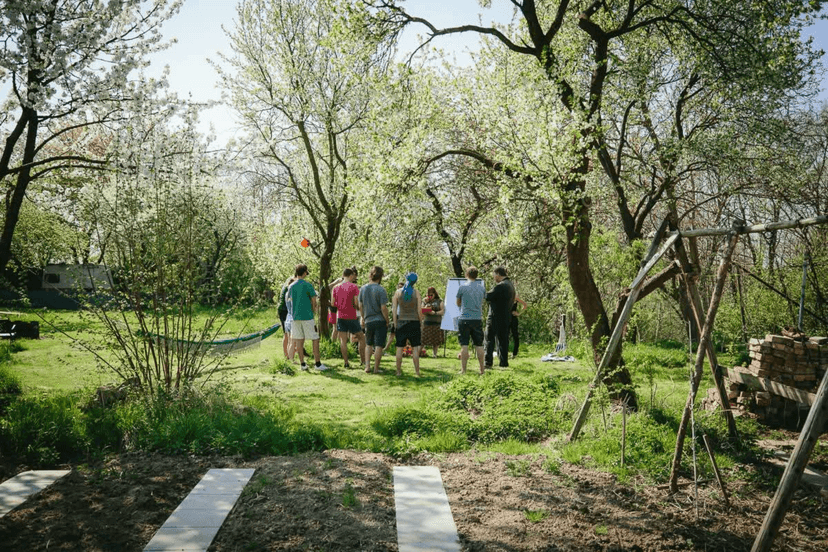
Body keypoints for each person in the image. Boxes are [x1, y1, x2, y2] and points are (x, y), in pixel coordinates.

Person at [289, 264, 329, 371]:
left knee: (299, 340)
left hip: (295, 317)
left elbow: (291, 301)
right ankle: (318, 364)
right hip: (307, 316)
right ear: (304, 272)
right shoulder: (308, 285)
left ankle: (303, 364)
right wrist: (314, 309)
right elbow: (314, 300)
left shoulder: (291, 286)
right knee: (315, 338)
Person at [332, 267, 365, 368]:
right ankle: (363, 361)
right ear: (350, 276)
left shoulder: (336, 287)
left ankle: (346, 362)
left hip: (340, 316)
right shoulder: (354, 287)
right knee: (362, 338)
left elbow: (333, 303)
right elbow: (356, 303)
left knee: (343, 340)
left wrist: (341, 305)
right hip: (351, 316)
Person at [359, 265, 389, 373]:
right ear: (380, 277)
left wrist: (363, 317)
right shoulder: (381, 290)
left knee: (368, 344)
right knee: (379, 345)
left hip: (368, 320)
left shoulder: (363, 288)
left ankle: (367, 367)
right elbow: (383, 308)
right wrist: (387, 320)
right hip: (379, 320)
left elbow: (360, 306)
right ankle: (376, 368)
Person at [392, 272, 424, 377]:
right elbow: (419, 310)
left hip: (401, 321)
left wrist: (395, 323)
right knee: (415, 348)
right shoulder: (416, 293)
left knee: (399, 348)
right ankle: (417, 372)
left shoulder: (398, 292)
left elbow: (394, 310)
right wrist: (421, 322)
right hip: (414, 322)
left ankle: (398, 371)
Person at [456, 266, 486, 374]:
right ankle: (482, 370)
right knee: (479, 344)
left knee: (464, 344)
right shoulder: (482, 288)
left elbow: (458, 302)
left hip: (464, 318)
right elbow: (482, 300)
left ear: (466, 274)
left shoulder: (462, 287)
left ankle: (463, 370)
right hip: (477, 318)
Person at [484, 266, 515, 369]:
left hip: (495, 317)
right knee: (503, 341)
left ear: (497, 274)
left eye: (494, 275)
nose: (494, 278)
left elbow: (488, 296)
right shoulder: (510, 285)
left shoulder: (501, 286)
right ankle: (503, 362)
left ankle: (488, 362)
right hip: (506, 317)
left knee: (489, 339)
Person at [421, 286, 445, 357]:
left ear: (435, 294)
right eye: (428, 295)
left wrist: (434, 313)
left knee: (436, 340)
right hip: (427, 322)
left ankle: (435, 354)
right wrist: (426, 307)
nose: (430, 296)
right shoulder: (424, 301)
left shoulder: (439, 301)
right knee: (423, 339)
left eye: (431, 295)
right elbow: (421, 311)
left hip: (436, 322)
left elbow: (443, 311)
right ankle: (418, 352)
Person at [277, 276, 295, 358]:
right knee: (287, 334)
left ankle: (288, 354)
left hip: (283, 309)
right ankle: (287, 355)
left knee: (287, 333)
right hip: (285, 310)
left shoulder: (289, 281)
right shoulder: (291, 285)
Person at [510, 292, 527, 359]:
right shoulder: (506, 298)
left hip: (513, 319)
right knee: (505, 335)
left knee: (515, 336)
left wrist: (519, 313)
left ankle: (515, 353)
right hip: (506, 319)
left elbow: (525, 305)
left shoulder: (516, 298)